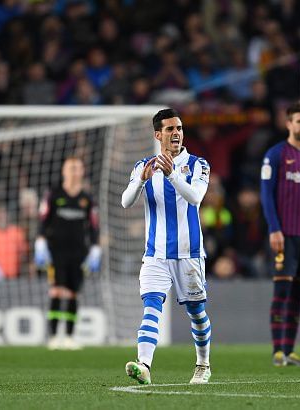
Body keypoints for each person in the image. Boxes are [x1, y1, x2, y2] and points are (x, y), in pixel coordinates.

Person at [121, 108, 212, 385]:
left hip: (188, 253)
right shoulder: (143, 165)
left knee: (196, 312)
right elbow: (126, 202)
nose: (176, 133)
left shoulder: (198, 164)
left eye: (179, 128)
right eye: (170, 129)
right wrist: (141, 180)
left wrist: (172, 175)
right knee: (151, 305)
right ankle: (144, 365)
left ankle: (203, 364)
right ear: (158, 134)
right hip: (155, 254)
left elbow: (195, 197)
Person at [260, 100, 300, 367]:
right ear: (288, 124)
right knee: (282, 292)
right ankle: (277, 351)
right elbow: (266, 195)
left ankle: (290, 349)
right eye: (299, 121)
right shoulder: (276, 154)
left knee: (298, 294)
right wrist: (274, 229)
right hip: (285, 235)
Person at [35, 156, 100, 350]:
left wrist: (96, 247)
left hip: (79, 252)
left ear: (82, 172)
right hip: (56, 251)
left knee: (73, 294)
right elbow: (43, 220)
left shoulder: (87, 199)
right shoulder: (53, 194)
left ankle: (70, 337)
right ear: (64, 171)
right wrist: (40, 241)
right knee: (56, 290)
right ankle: (54, 336)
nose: (74, 172)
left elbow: (94, 226)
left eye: (77, 168)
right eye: (70, 168)